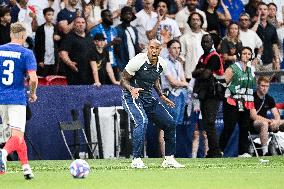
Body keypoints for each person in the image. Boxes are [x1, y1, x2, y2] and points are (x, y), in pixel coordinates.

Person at [121, 39, 185, 168]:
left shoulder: (162, 64)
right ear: (147, 48)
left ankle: (169, 159)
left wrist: (161, 95)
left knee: (170, 123)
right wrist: (131, 89)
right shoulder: (138, 60)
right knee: (142, 121)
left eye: (157, 48)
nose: (154, 51)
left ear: (161, 50)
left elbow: (155, 79)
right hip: (131, 97)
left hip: (148, 98)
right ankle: (136, 160)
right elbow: (123, 79)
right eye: (151, 48)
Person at [0, 22, 38, 179]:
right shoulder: (26, 53)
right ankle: (3, 153)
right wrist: (32, 93)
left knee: (17, 136)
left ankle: (26, 168)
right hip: (16, 98)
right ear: (23, 36)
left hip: (0, 99)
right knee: (17, 134)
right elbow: (33, 79)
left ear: (10, 34)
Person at [192, 34, 224, 158]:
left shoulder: (214, 57)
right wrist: (201, 71)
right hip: (204, 93)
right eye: (203, 42)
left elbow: (205, 74)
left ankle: (215, 151)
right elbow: (194, 73)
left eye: (208, 42)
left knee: (210, 122)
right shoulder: (202, 57)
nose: (205, 44)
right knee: (207, 123)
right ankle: (212, 151)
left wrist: (201, 71)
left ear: (212, 43)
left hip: (214, 93)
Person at [219, 46, 255, 158]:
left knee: (245, 127)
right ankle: (219, 150)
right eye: (244, 53)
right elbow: (222, 83)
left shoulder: (251, 70)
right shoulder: (232, 68)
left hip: (245, 102)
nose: (247, 56)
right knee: (229, 126)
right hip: (232, 101)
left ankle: (243, 152)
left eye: (249, 54)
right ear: (239, 55)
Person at [160, 39, 188, 156]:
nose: (177, 50)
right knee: (166, 125)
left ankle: (170, 154)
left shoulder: (178, 63)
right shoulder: (164, 62)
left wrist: (183, 83)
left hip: (179, 95)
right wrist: (186, 84)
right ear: (168, 49)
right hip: (169, 95)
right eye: (174, 48)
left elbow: (182, 80)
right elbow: (172, 82)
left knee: (174, 125)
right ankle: (164, 155)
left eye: (178, 48)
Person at [250, 76, 284, 156]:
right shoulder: (251, 97)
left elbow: (276, 114)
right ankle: (265, 152)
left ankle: (275, 144)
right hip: (253, 124)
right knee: (264, 124)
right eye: (262, 86)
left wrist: (276, 121)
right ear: (258, 86)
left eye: (267, 86)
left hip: (268, 123)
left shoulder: (269, 98)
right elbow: (253, 116)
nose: (265, 88)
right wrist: (269, 121)